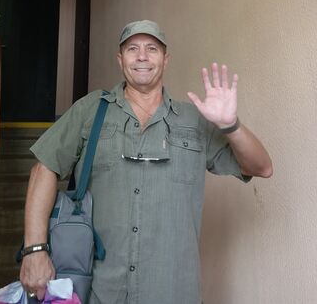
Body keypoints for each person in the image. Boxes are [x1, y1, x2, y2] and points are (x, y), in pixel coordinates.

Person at [20, 20, 273, 304]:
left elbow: (261, 167)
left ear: (166, 59)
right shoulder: (90, 110)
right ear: (120, 59)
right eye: (133, 48)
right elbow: (45, 166)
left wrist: (230, 125)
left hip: (173, 291)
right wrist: (35, 249)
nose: (142, 56)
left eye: (152, 48)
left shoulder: (194, 120)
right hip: (100, 290)